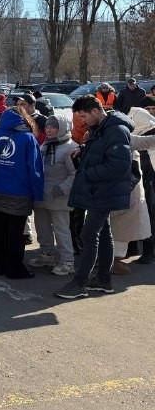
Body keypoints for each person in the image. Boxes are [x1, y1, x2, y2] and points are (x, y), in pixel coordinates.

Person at [55, 95, 132, 299]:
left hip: (105, 191)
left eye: (84, 116)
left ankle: (79, 284)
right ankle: (103, 280)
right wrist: (82, 152)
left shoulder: (116, 130)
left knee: (88, 235)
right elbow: (103, 154)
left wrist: (88, 173)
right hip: (100, 191)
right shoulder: (101, 129)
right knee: (103, 234)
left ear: (96, 111)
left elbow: (118, 165)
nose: (82, 121)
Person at [0, 107, 44, 279]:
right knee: (16, 233)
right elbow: (35, 168)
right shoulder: (27, 138)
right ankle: (15, 268)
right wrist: (38, 193)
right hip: (20, 191)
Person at [108, 108, 155, 274]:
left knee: (125, 225)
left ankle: (118, 258)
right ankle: (113, 259)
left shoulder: (124, 135)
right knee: (119, 225)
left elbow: (146, 142)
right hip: (122, 189)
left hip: (133, 189)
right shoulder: (112, 137)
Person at [30, 115, 77, 276]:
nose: (49, 130)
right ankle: (47, 254)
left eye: (53, 127)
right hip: (42, 196)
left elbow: (75, 174)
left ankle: (67, 261)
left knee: (62, 230)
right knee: (42, 228)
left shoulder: (71, 148)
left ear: (62, 128)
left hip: (59, 197)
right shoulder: (45, 145)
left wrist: (62, 188)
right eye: (47, 127)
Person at [130, 107, 155, 264]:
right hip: (146, 183)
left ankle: (147, 252)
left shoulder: (144, 138)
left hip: (148, 185)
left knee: (148, 217)